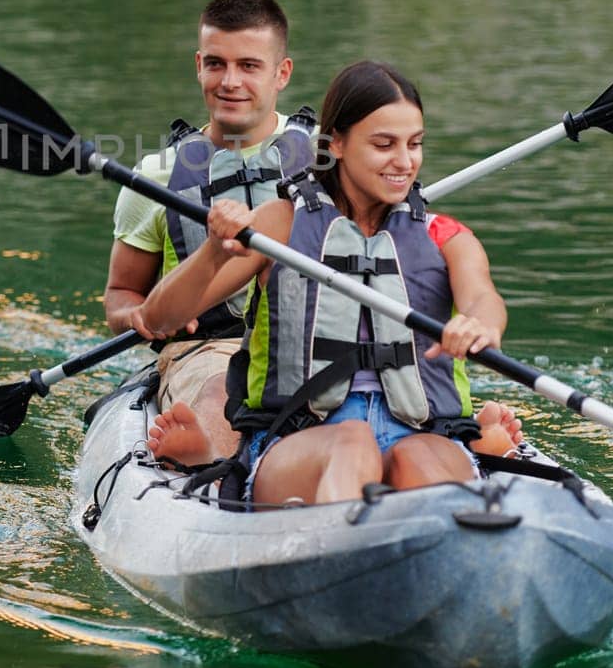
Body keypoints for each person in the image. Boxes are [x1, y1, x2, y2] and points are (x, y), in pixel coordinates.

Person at [129, 60, 520, 506]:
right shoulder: (282, 225)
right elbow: (160, 317)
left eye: (415, 144)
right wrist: (215, 251)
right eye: (383, 144)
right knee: (351, 443)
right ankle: (337, 541)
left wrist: (481, 326)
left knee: (420, 460)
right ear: (336, 144)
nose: (405, 161)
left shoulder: (446, 237)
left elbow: (483, 298)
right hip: (302, 440)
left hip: (422, 430)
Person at [104, 0, 316, 460]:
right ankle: (211, 472)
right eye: (216, 64)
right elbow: (120, 296)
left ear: (282, 73)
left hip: (313, 341)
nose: (230, 82)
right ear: (198, 65)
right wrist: (137, 318)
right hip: (205, 350)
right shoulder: (156, 177)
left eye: (249, 66)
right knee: (224, 392)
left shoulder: (332, 161)